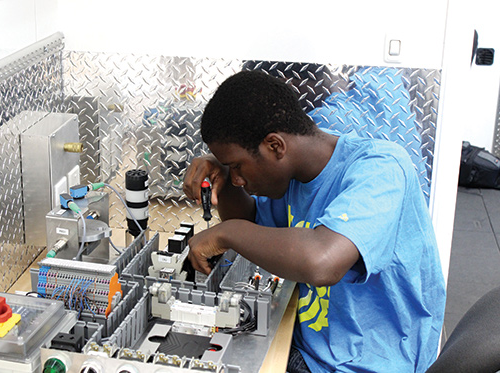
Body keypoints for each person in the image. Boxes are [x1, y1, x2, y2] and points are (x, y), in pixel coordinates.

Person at [183, 70, 446, 372]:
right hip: (312, 347)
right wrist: (225, 180)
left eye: (238, 166)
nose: (240, 179)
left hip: (365, 363)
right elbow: (253, 225)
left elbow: (322, 261)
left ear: (275, 146)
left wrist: (226, 233)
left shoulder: (381, 169)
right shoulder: (294, 176)